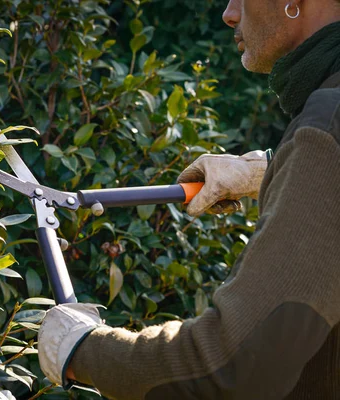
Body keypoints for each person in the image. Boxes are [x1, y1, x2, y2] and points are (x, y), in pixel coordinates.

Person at [37, 0, 340, 398]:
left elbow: (231, 366)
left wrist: (82, 348)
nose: (229, 14)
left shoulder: (328, 121)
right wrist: (274, 166)